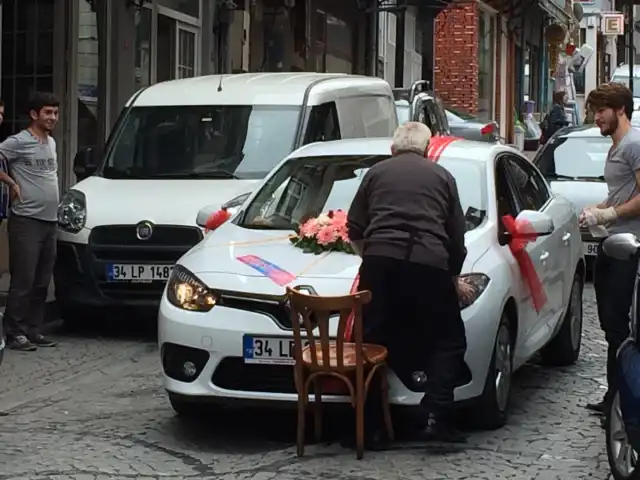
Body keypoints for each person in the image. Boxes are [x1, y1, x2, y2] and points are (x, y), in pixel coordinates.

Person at [346, 122, 471, 449]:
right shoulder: (442, 176)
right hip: (428, 264)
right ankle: (435, 416)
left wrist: (369, 256)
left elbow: (354, 225)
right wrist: (452, 277)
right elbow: (456, 237)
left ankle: (371, 427)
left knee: (371, 342)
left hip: (380, 264)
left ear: (393, 149)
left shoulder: (375, 173)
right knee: (449, 340)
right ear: (427, 149)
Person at [580, 82, 640, 416]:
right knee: (610, 324)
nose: (596, 118)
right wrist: (597, 209)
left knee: (620, 327)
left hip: (629, 248)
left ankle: (622, 400)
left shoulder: (634, 145)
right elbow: (621, 194)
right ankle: (614, 396)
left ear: (619, 110)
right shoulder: (618, 146)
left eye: (601, 111)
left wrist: (611, 213)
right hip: (613, 244)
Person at [0, 92, 60, 351]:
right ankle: (13, 332)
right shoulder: (18, 142)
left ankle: (32, 329)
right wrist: (11, 182)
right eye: (47, 113)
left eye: (56, 113)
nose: (53, 118)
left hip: (50, 221)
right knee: (23, 280)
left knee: (41, 281)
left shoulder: (52, 143)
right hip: (26, 220)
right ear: (34, 114)